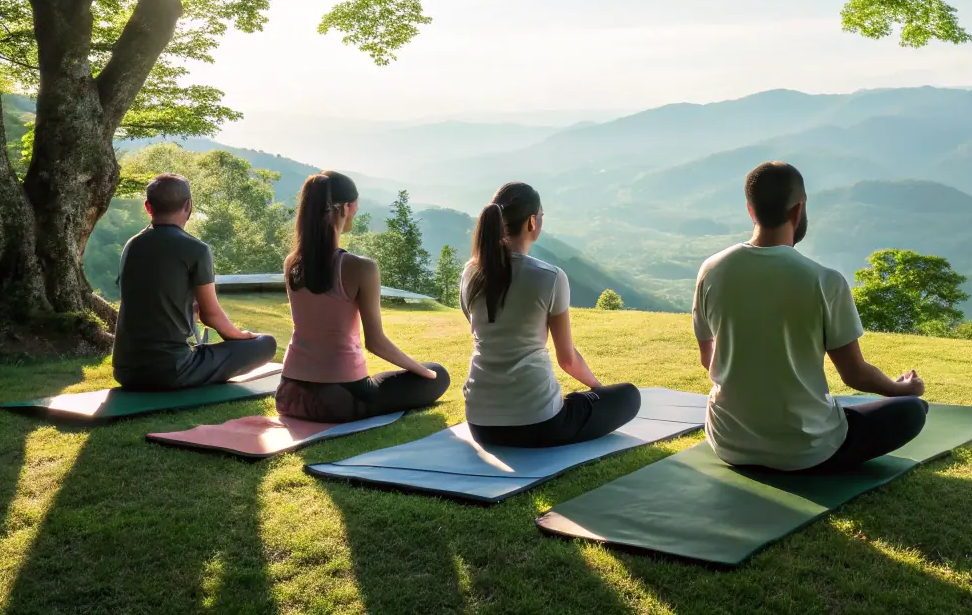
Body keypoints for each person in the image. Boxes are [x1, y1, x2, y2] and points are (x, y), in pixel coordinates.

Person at [693, 161, 928, 473]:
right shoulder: (824, 280)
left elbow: (708, 360)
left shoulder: (712, 270)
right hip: (807, 450)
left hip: (728, 441)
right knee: (913, 410)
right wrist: (902, 390)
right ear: (798, 210)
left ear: (750, 210)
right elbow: (854, 374)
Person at [461, 182, 640, 448]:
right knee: (628, 396)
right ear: (532, 222)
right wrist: (599, 389)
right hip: (539, 423)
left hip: (480, 423)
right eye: (541, 216)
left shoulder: (470, 274)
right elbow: (567, 359)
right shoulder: (550, 277)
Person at [275, 171, 449, 423]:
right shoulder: (361, 267)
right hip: (340, 400)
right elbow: (375, 342)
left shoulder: (292, 263)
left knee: (418, 375)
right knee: (438, 373)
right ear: (346, 208)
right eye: (356, 204)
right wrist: (423, 372)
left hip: (289, 394)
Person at [113, 173, 277, 390]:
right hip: (172, 370)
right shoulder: (197, 250)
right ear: (188, 205)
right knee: (266, 344)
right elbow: (210, 315)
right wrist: (241, 336)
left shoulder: (131, 245)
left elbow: (142, 300)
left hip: (125, 370)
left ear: (148, 207)